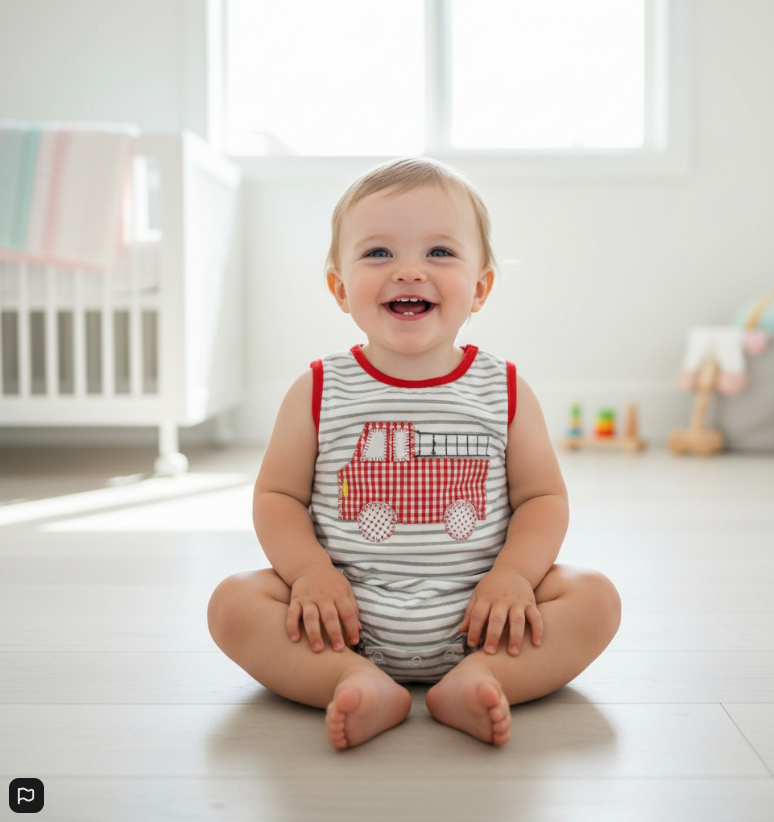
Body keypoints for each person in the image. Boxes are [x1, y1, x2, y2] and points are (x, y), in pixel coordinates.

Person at [207, 157, 621, 749]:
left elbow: (542, 498)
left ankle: (481, 677)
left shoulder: (502, 388)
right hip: (341, 622)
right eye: (378, 253)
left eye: (439, 253)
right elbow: (278, 497)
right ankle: (354, 680)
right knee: (233, 603)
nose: (407, 271)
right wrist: (310, 574)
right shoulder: (318, 390)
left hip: (483, 620)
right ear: (339, 286)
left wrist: (513, 577)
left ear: (480, 288)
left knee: (595, 597)